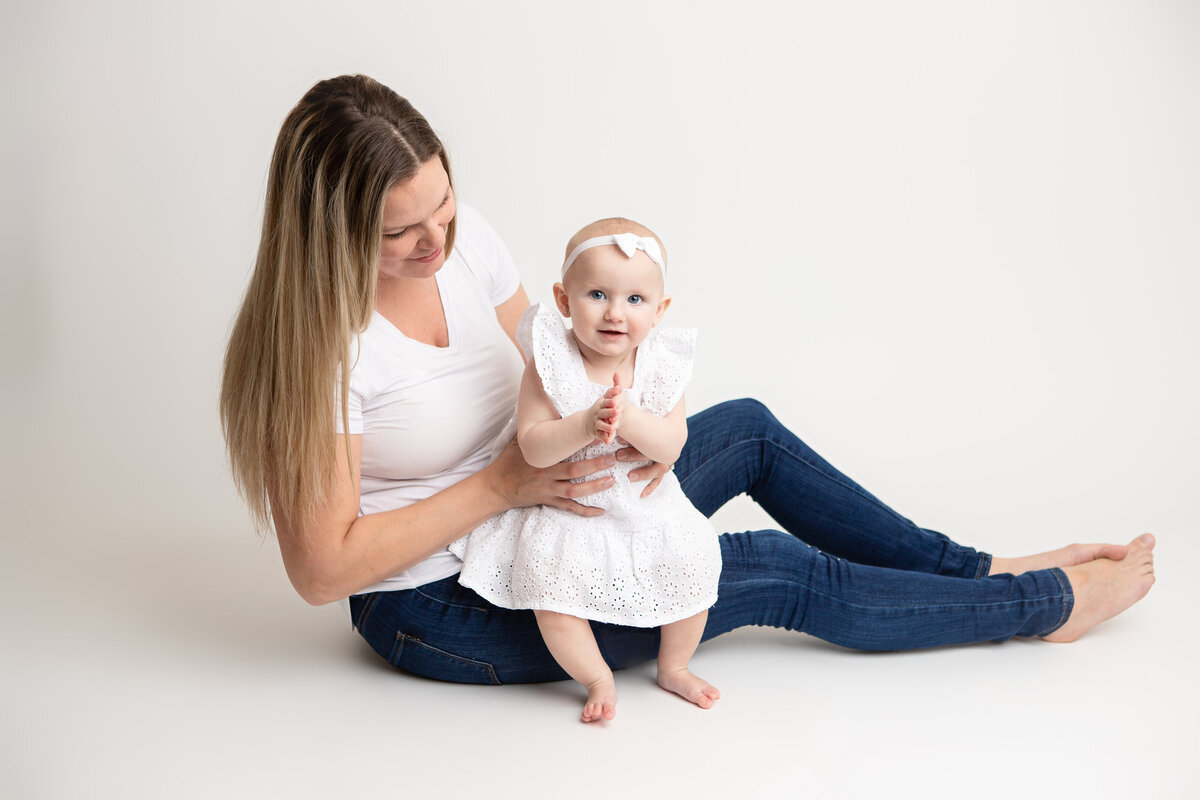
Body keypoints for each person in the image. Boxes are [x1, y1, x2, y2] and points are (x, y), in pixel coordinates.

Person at [219, 74, 1156, 718]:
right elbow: (322, 570)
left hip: (553, 499)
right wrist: (506, 486)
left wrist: (624, 411)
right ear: (329, 237)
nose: (438, 244)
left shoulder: (461, 240)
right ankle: (1041, 605)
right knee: (762, 571)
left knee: (743, 427)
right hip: (438, 602)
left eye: (446, 211)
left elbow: (551, 354)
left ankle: (977, 569)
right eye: (402, 234)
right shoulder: (321, 348)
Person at [448, 218, 722, 722]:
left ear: (660, 309)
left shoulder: (662, 364)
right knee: (553, 598)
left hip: (644, 505)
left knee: (694, 570)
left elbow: (674, 443)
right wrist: (583, 425)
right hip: (572, 512)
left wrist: (634, 420)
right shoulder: (550, 363)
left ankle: (675, 665)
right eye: (597, 294)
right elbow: (532, 445)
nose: (616, 313)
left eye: (635, 300)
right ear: (563, 298)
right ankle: (596, 676)